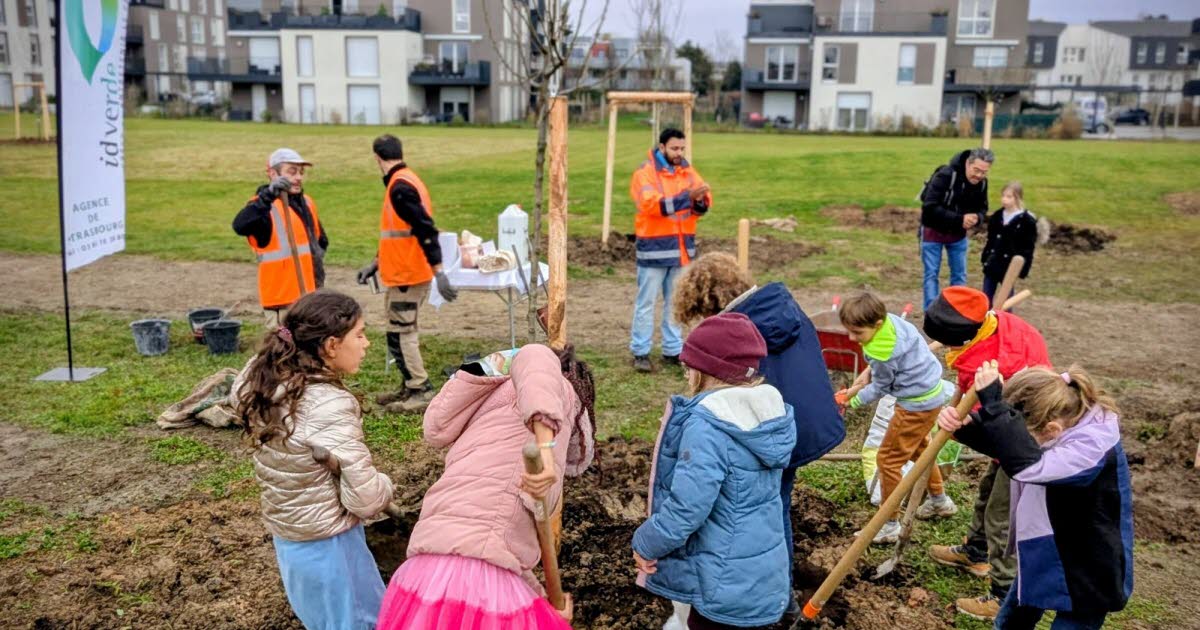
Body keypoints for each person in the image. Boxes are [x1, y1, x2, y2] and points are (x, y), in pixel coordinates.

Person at [672, 252, 844, 619]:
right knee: (773, 503)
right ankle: (775, 585)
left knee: (766, 509)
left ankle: (778, 596)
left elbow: (733, 393)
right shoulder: (781, 307)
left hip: (774, 434)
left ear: (707, 302)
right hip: (800, 423)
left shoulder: (741, 331)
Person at [374, 343, 592, 628]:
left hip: (425, 570)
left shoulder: (488, 414)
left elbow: (493, 546)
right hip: (475, 582)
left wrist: (540, 601)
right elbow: (535, 355)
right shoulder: (557, 387)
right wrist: (546, 451)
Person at [232, 289, 394, 629]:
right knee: (358, 619)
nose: (367, 344)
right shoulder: (327, 404)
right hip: (330, 544)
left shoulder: (260, 378)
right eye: (360, 335)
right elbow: (365, 500)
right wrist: (385, 486)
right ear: (332, 345)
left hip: (290, 537)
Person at [938, 362, 1133, 630]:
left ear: (1052, 431)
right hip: (1046, 542)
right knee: (1014, 617)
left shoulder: (1093, 447)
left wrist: (995, 407)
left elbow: (1029, 464)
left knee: (1076, 621)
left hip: (1091, 559)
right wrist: (965, 426)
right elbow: (1012, 443)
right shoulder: (1057, 425)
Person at [633, 313, 796, 630]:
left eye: (688, 366)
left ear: (705, 369)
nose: (686, 373)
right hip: (763, 578)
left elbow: (687, 507)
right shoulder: (767, 414)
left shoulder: (708, 424)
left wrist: (646, 543)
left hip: (722, 585)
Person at [922, 286, 1051, 621]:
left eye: (950, 343)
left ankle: (1003, 593)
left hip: (1027, 444)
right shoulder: (995, 324)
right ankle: (975, 553)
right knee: (986, 493)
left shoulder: (989, 365)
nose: (947, 350)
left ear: (963, 337)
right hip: (1013, 430)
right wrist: (964, 420)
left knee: (1001, 516)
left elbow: (995, 430)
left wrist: (964, 425)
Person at [835, 292, 957, 544]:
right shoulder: (891, 321)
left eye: (857, 333)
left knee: (888, 461)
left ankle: (889, 523)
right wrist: (866, 376)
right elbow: (882, 373)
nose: (851, 338)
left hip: (914, 406)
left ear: (876, 324)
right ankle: (939, 500)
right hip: (931, 393)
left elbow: (881, 387)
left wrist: (853, 400)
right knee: (921, 450)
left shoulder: (882, 351)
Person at [357, 134, 458, 414]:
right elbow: (398, 235)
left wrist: (439, 272)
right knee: (395, 331)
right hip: (400, 273)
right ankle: (409, 385)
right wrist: (376, 264)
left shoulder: (400, 188)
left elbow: (425, 229)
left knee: (404, 333)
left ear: (378, 158)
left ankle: (421, 389)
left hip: (408, 275)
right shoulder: (404, 182)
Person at [629, 128, 713, 373]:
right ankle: (640, 352)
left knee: (675, 303)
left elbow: (704, 202)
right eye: (675, 148)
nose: (679, 153)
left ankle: (673, 350)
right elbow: (651, 205)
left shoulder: (687, 171)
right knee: (646, 303)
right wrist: (688, 197)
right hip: (654, 250)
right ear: (662, 147)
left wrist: (698, 200)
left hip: (680, 250)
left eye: (682, 149)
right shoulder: (645, 173)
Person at [233, 148, 327, 329]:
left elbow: (320, 241)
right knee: (283, 353)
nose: (298, 177)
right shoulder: (263, 208)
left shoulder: (306, 202)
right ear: (272, 174)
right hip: (282, 302)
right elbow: (240, 225)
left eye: (301, 172)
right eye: (291, 171)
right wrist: (268, 196)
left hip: (309, 297)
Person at [919, 147, 993, 309]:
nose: (979, 175)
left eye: (984, 172)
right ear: (968, 163)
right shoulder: (946, 176)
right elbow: (929, 206)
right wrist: (960, 219)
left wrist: (977, 218)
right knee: (931, 275)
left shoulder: (982, 184)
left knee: (959, 276)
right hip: (933, 232)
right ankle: (931, 313)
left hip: (958, 236)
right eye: (976, 170)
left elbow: (983, 208)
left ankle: (956, 311)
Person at [981, 181, 1038, 305]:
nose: (1004, 200)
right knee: (985, 298)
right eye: (1003, 196)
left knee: (1005, 300)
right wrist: (985, 258)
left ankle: (1005, 323)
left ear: (1017, 198)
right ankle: (985, 323)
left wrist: (1022, 269)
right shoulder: (997, 216)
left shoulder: (1026, 221)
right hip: (992, 263)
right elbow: (991, 241)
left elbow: (1028, 247)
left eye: (1009, 197)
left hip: (1009, 266)